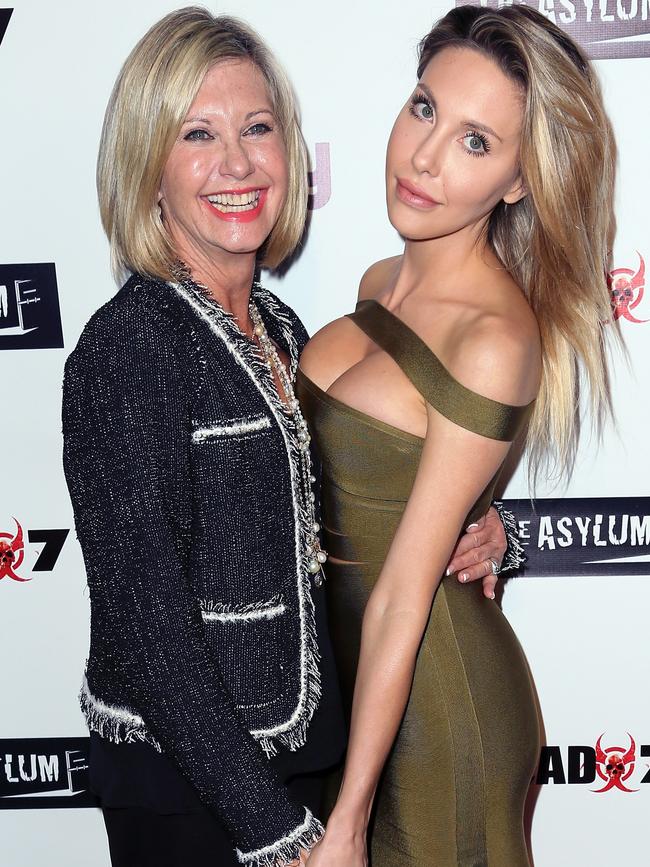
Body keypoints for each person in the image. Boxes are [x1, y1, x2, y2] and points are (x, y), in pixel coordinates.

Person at [61, 8, 516, 867]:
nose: (237, 163)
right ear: (147, 166)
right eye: (198, 133)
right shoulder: (130, 346)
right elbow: (148, 626)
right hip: (193, 794)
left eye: (258, 128)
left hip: (307, 756)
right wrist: (271, 829)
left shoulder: (281, 326)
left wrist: (487, 527)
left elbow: (354, 509)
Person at [298, 5, 616, 866]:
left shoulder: (493, 339)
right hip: (348, 697)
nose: (426, 156)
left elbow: (405, 591)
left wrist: (350, 820)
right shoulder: (375, 280)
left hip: (436, 710)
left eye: (478, 142)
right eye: (425, 108)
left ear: (519, 180)